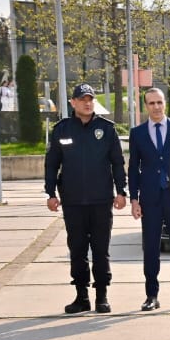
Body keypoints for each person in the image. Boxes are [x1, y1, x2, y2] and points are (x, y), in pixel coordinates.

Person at [44, 82, 127, 314]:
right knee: (78, 250)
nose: (87, 103)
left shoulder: (107, 129)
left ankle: (102, 296)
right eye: (82, 99)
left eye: (90, 99)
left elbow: (118, 163)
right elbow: (51, 164)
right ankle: (81, 297)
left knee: (101, 250)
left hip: (101, 201)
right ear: (73, 103)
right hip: (72, 201)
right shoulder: (62, 129)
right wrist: (50, 193)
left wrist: (121, 191)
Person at [128, 86, 170, 312]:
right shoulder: (137, 134)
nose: (156, 107)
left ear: (165, 103)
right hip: (150, 199)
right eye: (151, 103)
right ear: (145, 106)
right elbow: (133, 168)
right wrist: (134, 200)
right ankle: (151, 296)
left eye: (159, 102)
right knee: (151, 249)